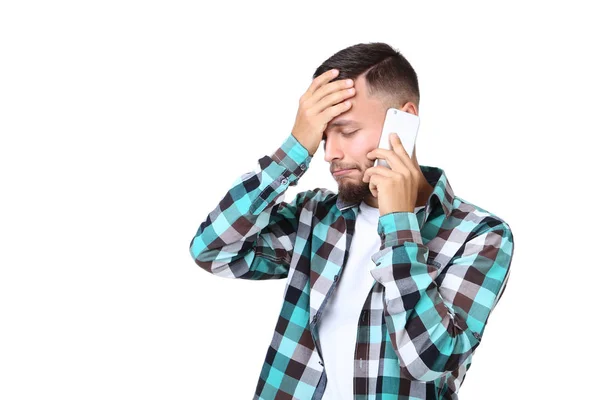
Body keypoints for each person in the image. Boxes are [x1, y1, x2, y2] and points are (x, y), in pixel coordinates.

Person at [189, 42, 514, 400]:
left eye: (346, 131)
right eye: (323, 136)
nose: (329, 153)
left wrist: (399, 222)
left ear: (404, 120)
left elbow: (431, 358)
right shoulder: (315, 217)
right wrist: (295, 148)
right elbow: (212, 250)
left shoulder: (480, 235)